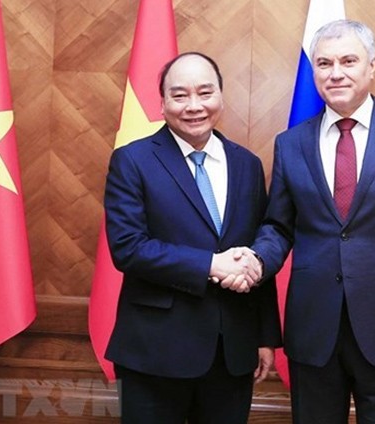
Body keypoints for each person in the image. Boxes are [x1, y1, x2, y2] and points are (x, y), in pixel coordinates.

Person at [240, 20, 375, 423]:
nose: (335, 72)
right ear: (314, 72)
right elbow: (279, 227)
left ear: (371, 67)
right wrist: (255, 261)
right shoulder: (291, 143)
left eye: (348, 61)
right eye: (324, 63)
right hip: (313, 330)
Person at [103, 52, 281, 424]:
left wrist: (265, 336)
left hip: (231, 353)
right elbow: (128, 248)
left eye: (205, 92)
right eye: (180, 95)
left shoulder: (247, 164)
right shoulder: (132, 161)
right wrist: (211, 265)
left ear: (220, 95)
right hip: (155, 353)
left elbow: (256, 247)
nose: (194, 106)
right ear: (163, 101)